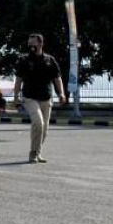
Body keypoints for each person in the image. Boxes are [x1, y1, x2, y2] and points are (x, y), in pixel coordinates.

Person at [13, 33, 66, 165]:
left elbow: (57, 78)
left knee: (44, 128)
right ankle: (33, 154)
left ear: (40, 44)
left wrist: (61, 93)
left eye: (33, 43)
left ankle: (37, 152)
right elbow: (18, 79)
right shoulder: (24, 60)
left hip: (46, 98)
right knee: (38, 123)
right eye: (29, 43)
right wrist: (15, 97)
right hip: (29, 97)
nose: (31, 46)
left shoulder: (49, 60)